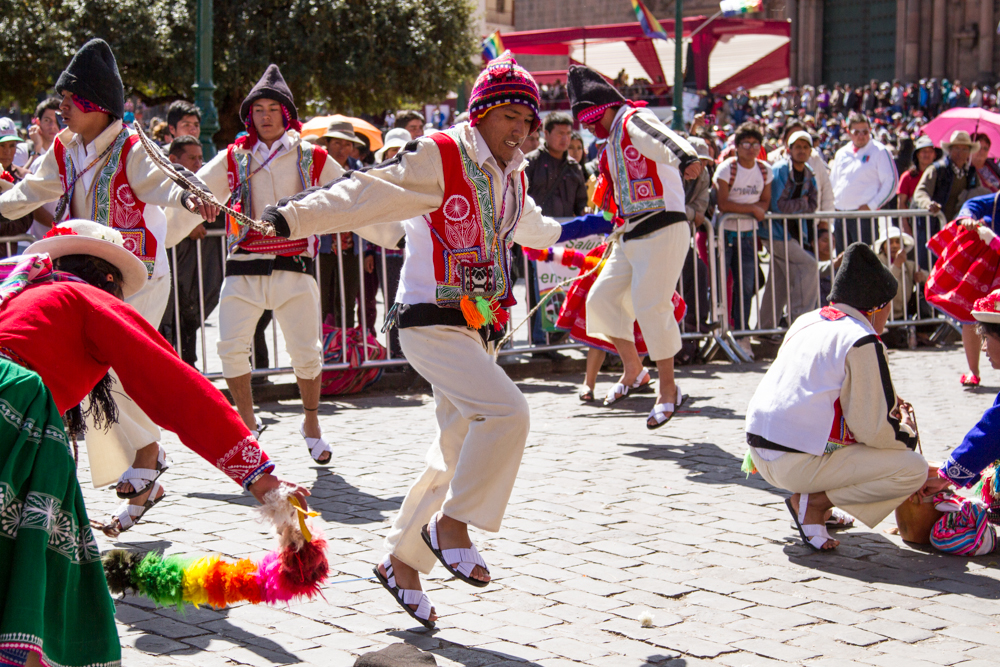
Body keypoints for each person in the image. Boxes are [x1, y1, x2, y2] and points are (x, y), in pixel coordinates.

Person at [259, 51, 606, 628]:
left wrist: (591, 224)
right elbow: (365, 192)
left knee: (454, 451)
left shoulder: (512, 175)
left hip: (477, 327)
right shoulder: (439, 154)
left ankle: (401, 563)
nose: (520, 131)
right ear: (480, 113)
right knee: (508, 413)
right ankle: (453, 526)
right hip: (429, 320)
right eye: (510, 117)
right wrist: (289, 218)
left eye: (527, 120)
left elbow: (534, 229)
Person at [0, 219, 307, 667]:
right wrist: (266, 484)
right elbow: (175, 390)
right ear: (107, 278)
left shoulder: (19, 295)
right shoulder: (83, 297)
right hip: (13, 408)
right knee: (41, 566)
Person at [0, 39, 219, 532]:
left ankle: (147, 457)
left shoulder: (132, 148)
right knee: (95, 375)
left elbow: (166, 183)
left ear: (96, 105)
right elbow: (30, 192)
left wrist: (190, 198)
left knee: (117, 369)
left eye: (69, 100)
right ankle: (145, 477)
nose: (61, 108)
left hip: (139, 277)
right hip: (91, 280)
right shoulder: (64, 149)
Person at [188, 64, 343, 463]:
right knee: (229, 348)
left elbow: (352, 194)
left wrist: (392, 231)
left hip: (295, 266)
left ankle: (311, 423)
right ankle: (247, 424)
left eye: (273, 108)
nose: (266, 116)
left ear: (286, 114)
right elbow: (194, 189)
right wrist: (177, 215)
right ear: (250, 115)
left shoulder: (312, 156)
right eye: (259, 109)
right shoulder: (234, 157)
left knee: (306, 353)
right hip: (243, 266)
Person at [745, 242, 928, 551]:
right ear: (878, 307)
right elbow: (874, 428)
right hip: (794, 463)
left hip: (759, 453)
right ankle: (814, 504)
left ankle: (818, 502)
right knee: (913, 468)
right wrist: (907, 432)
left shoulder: (806, 320)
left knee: (837, 427)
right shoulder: (862, 338)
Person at [523, 111, 588, 353]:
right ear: (546, 133)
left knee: (563, 287)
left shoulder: (574, 166)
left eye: (568, 133)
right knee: (538, 288)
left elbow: (581, 203)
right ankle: (541, 342)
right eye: (560, 133)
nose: (565, 138)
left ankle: (558, 339)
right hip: (536, 239)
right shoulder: (530, 163)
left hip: (565, 239)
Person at [159, 135, 225, 367]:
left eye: (200, 158)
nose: (199, 164)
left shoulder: (208, 184)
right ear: (173, 159)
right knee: (167, 320)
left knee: (190, 315)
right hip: (168, 267)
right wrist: (183, 226)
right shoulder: (158, 183)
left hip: (195, 269)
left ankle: (189, 366)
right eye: (192, 158)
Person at [924, 192, 1000, 387]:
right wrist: (967, 219)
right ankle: (973, 370)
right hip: (987, 267)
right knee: (971, 314)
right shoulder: (992, 201)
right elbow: (971, 206)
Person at [714, 122, 773, 343]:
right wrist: (752, 209)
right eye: (746, 144)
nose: (751, 148)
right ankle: (719, 331)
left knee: (746, 286)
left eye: (755, 144)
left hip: (748, 236)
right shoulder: (726, 169)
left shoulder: (764, 170)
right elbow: (723, 203)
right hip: (724, 234)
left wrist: (755, 210)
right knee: (720, 285)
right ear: (737, 146)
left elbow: (765, 201)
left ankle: (742, 334)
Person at [760, 130, 819, 330]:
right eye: (798, 147)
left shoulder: (809, 172)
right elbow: (777, 205)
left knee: (779, 279)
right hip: (775, 232)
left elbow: (813, 205)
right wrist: (801, 203)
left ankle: (765, 328)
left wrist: (800, 205)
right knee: (809, 266)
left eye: (805, 147)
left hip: (793, 233)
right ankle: (800, 327)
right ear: (789, 149)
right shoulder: (780, 170)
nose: (802, 151)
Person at [913, 131, 984, 269]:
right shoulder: (937, 169)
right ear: (950, 150)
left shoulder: (971, 174)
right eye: (956, 148)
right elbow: (921, 192)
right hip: (935, 227)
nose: (960, 153)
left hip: (959, 230)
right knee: (931, 266)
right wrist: (928, 204)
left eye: (964, 149)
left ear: (969, 152)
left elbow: (979, 198)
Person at [829, 112, 898, 250]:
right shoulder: (841, 153)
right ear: (849, 132)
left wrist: (872, 206)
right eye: (856, 132)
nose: (861, 136)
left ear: (870, 130)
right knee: (842, 259)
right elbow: (833, 182)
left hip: (863, 217)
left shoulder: (880, 151)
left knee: (864, 259)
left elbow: (891, 182)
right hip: (840, 215)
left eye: (865, 132)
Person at [0, 118, 35, 256]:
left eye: (12, 145)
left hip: (11, 257)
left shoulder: (25, 177)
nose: (7, 151)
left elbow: (24, 222)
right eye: (2, 145)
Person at [896, 135, 940, 215]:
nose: (927, 154)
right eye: (924, 151)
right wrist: (905, 223)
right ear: (917, 154)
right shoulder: (907, 177)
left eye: (930, 151)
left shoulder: (940, 175)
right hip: (913, 220)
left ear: (935, 155)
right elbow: (901, 203)